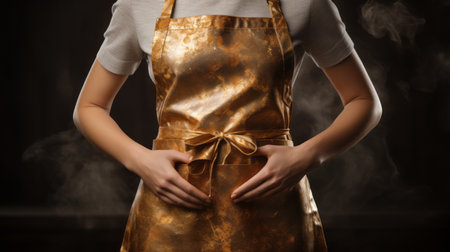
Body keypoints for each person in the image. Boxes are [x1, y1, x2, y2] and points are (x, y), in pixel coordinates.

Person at [73, 0, 382, 251]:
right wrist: (140, 160)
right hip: (172, 207)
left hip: (271, 207)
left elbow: (364, 102)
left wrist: (307, 156)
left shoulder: (305, 4)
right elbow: (89, 108)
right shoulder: (140, 5)